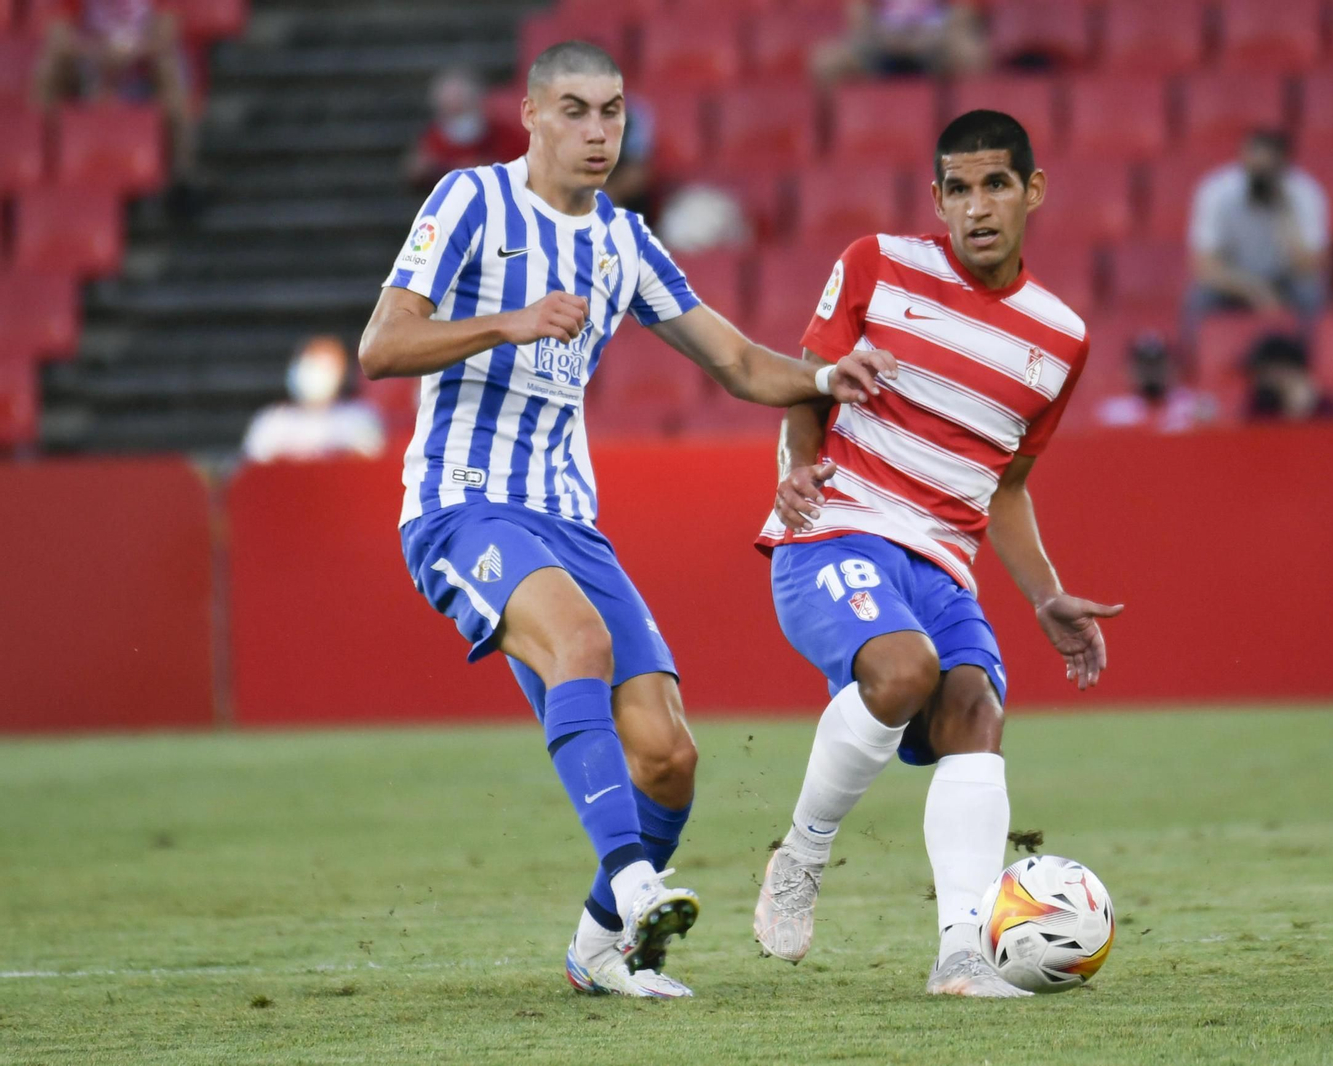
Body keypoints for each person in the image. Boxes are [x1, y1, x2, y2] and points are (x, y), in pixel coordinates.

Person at [358, 41, 894, 1000]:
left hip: (571, 520)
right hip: (460, 503)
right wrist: (506, 321)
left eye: (611, 112)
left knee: (669, 758)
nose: (597, 131)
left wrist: (820, 378)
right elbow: (381, 345)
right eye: (574, 110)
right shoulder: (470, 201)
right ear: (528, 113)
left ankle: (598, 947)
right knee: (580, 639)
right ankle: (638, 882)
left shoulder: (623, 241)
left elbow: (734, 364)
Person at [752, 110, 1123, 998]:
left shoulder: (1059, 339)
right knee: (905, 670)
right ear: (937, 199)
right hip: (840, 527)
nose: (977, 206)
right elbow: (806, 387)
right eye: (958, 188)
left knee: (975, 708)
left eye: (996, 184)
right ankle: (801, 855)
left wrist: (1045, 596)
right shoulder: (877, 265)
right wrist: (799, 472)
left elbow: (1007, 485)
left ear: (1032, 191)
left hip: (943, 562)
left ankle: (962, 952)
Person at [32, 0, 199, 194]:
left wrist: (127, 53)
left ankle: (181, 170)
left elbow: (166, 33)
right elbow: (58, 37)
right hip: (89, 69)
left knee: (168, 67)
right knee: (51, 65)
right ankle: (38, 158)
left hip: (142, 70)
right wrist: (99, 54)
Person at [1183, 130, 1328, 346]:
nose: (1260, 175)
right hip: (1234, 280)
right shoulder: (1217, 192)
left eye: (1267, 169)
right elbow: (1205, 267)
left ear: (1283, 166)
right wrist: (1255, 290)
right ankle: (1195, 362)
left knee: (1311, 293)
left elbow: (1312, 265)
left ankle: (1306, 363)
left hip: (1286, 279)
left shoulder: (1304, 193)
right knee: (1199, 298)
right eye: (1254, 166)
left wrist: (1284, 214)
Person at [241, 336, 385, 463]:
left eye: (326, 365)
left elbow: (368, 465)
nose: (317, 373)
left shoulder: (359, 419)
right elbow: (253, 470)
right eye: (312, 360)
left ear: (342, 372)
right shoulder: (270, 423)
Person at [405, 68, 528, 192]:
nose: (455, 108)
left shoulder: (503, 133)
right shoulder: (433, 137)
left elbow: (524, 169)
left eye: (460, 103)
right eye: (449, 107)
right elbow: (415, 175)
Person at [812, 0, 988, 84]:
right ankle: (837, 140)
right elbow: (858, 17)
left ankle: (964, 134)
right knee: (826, 62)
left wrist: (926, 39)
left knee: (974, 56)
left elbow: (964, 14)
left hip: (935, 42)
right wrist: (888, 39)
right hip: (882, 43)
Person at [1094, 331, 1217, 432]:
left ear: (1171, 367)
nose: (1151, 372)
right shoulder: (1114, 413)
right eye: (1145, 365)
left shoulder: (1193, 406)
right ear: (1130, 370)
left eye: (1157, 364)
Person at [1242, 332, 1333, 422]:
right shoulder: (1259, 408)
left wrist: (1303, 408)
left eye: (1265, 372)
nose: (1259, 380)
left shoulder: (1330, 410)